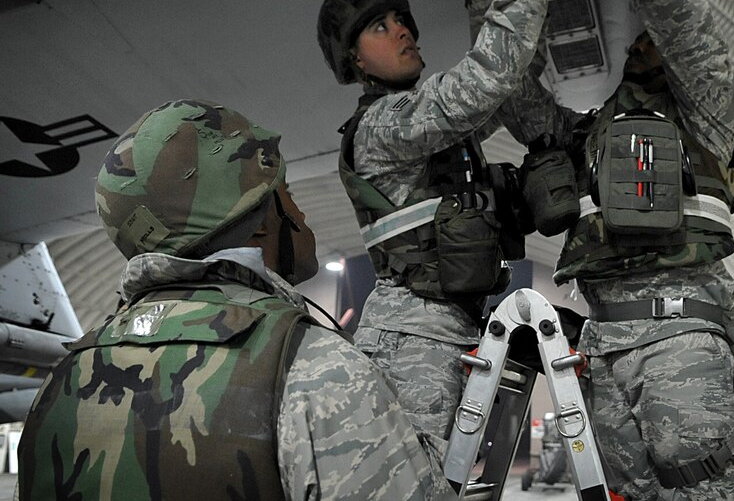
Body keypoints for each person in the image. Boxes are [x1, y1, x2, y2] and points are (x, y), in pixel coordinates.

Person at [16, 99, 457, 501]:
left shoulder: (63, 379)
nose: (300, 215)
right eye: (287, 196)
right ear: (262, 220)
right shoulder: (314, 367)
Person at [492, 0, 734, 498]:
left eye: (648, 33)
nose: (641, 39)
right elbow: (510, 89)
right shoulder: (589, 136)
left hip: (681, 340)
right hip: (604, 351)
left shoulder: (705, 111)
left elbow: (680, 18)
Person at [315, 0, 576, 456]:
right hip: (413, 342)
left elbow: (506, 87)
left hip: (452, 331)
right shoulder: (385, 126)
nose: (402, 30)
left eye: (401, 19)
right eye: (379, 27)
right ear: (354, 61)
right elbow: (485, 78)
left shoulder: (432, 131)